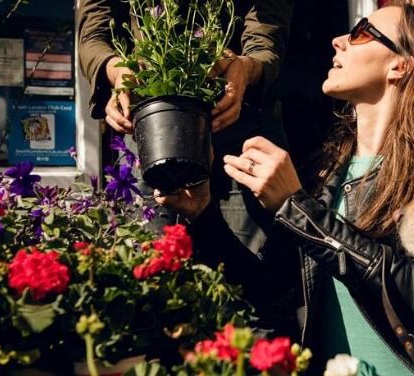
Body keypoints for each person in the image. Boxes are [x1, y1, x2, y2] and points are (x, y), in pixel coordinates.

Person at [159, 2, 414, 375]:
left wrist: (297, 208)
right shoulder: (327, 170)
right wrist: (203, 214)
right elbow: (271, 296)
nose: (339, 41)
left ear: (400, 65)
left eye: (361, 33)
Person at [77, 0, 300, 340]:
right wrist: (115, 72)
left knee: (247, 300)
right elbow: (94, 29)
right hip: (153, 125)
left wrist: (246, 69)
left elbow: (266, 35)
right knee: (149, 291)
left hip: (240, 122)